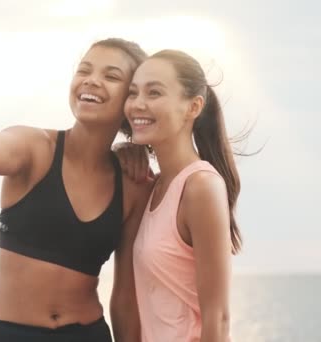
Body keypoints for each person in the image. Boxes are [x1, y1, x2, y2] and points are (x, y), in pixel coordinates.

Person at [0, 33, 151, 342]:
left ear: (131, 99)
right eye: (84, 70)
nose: (91, 81)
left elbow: (126, 297)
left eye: (111, 75)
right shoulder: (35, 149)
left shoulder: (133, 184)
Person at [124, 49, 242, 341]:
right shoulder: (155, 186)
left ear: (193, 107)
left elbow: (218, 318)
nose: (138, 104)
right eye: (133, 93)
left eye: (154, 93)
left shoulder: (201, 186)